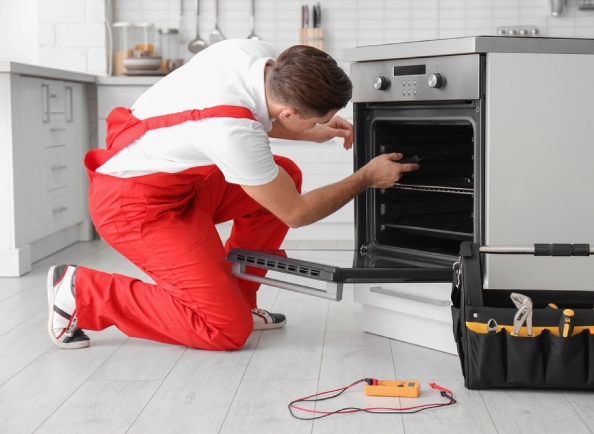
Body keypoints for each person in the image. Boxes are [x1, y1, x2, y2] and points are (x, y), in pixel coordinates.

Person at [46, 39, 419, 351]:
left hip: (178, 186)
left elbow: (238, 119)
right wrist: (366, 178)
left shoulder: (253, 54)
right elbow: (296, 212)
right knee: (224, 330)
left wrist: (309, 130)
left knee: (283, 174)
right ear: (289, 111)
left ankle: (241, 301)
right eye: (319, 119)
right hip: (132, 208)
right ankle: (82, 292)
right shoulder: (231, 130)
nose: (322, 124)